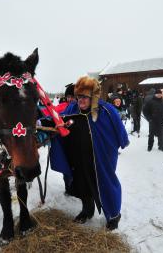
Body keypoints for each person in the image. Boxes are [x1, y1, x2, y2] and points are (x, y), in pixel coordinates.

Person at [47, 76, 129, 230]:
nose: (81, 100)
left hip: (101, 158)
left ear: (94, 96)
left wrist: (122, 142)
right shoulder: (72, 109)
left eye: (85, 97)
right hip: (79, 158)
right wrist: (42, 122)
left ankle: (113, 215)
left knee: (106, 184)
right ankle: (87, 210)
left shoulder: (107, 111)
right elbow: (58, 119)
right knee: (83, 184)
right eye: (79, 96)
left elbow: (121, 132)